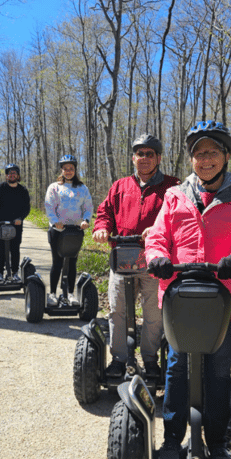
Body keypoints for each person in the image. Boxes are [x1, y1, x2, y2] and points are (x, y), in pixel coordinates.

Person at [144, 120, 231, 459]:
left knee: (218, 372)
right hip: (180, 299)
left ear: (226, 156)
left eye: (212, 153)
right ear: (191, 160)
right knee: (176, 368)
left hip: (223, 301)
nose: (205, 160)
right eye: (199, 154)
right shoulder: (174, 197)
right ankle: (173, 440)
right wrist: (157, 257)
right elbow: (157, 237)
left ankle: (216, 444)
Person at [92, 134, 180, 379]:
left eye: (149, 154)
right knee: (117, 310)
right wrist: (101, 228)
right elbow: (105, 211)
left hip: (155, 260)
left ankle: (150, 360)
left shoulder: (173, 186)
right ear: (133, 158)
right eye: (139, 154)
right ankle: (119, 360)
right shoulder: (120, 186)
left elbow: (181, 215)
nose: (144, 158)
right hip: (122, 257)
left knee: (153, 313)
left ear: (158, 158)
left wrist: (160, 228)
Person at [44, 155, 93, 306]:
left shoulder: (82, 188)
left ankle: (70, 293)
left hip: (75, 231)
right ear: (62, 170)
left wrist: (86, 220)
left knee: (72, 262)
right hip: (58, 231)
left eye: (71, 169)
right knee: (57, 262)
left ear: (75, 170)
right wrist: (55, 221)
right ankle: (52, 294)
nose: (68, 171)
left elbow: (88, 207)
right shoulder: (54, 187)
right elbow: (49, 206)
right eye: (65, 169)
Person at [0, 163, 31, 281]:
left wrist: (20, 218)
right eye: (9, 173)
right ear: (6, 176)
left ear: (18, 175)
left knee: (15, 248)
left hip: (15, 225)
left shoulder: (23, 190)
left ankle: (15, 273)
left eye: (14, 173)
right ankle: (0, 274)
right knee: (0, 249)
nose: (12, 175)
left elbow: (26, 208)